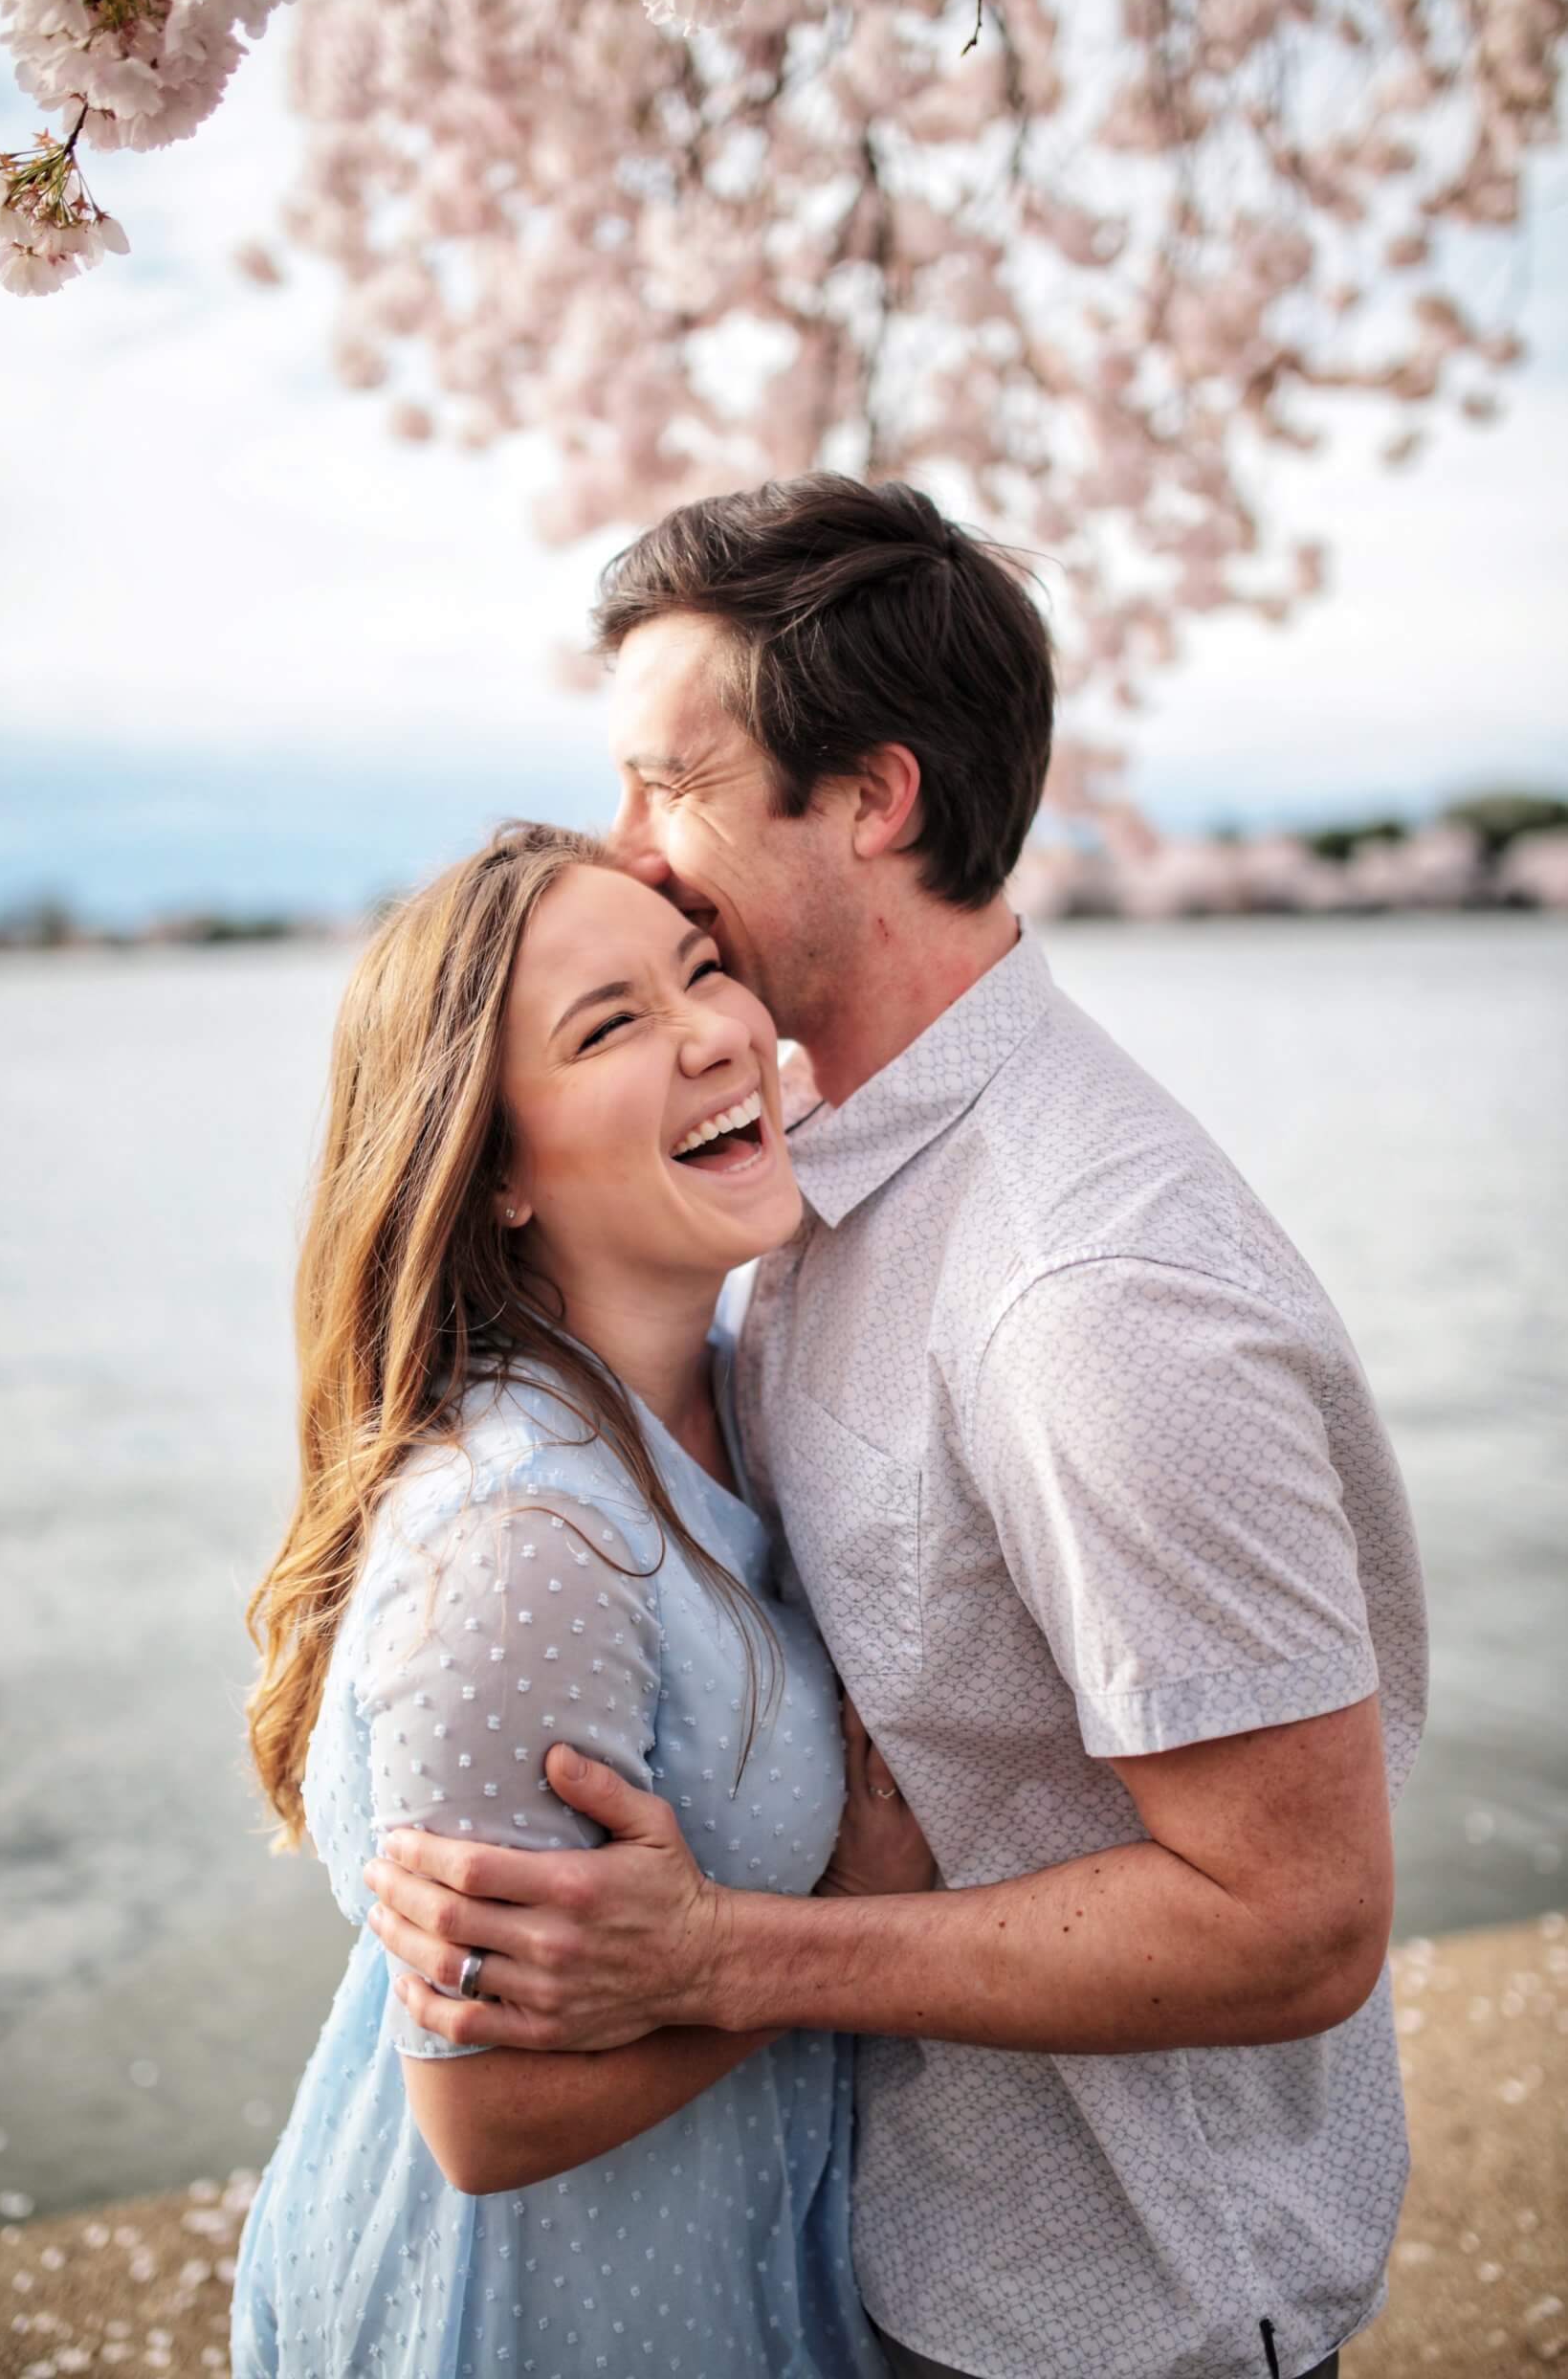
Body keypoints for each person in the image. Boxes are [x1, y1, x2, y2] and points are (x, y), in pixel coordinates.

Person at [363, 475, 1431, 2379]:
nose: (629, 853)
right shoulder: (799, 1180)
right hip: (872, 2258)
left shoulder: (1088, 1298)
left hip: (1101, 2312)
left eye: (666, 787)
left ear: (868, 795)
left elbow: (1291, 1921)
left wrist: (725, 1953)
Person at [231, 823, 931, 2379]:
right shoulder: (523, 1532)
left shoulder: (737, 1389)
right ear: (495, 1173)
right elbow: (482, 2116)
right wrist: (847, 1922)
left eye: (701, 972)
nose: (713, 1033)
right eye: (609, 1025)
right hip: (524, 2321)